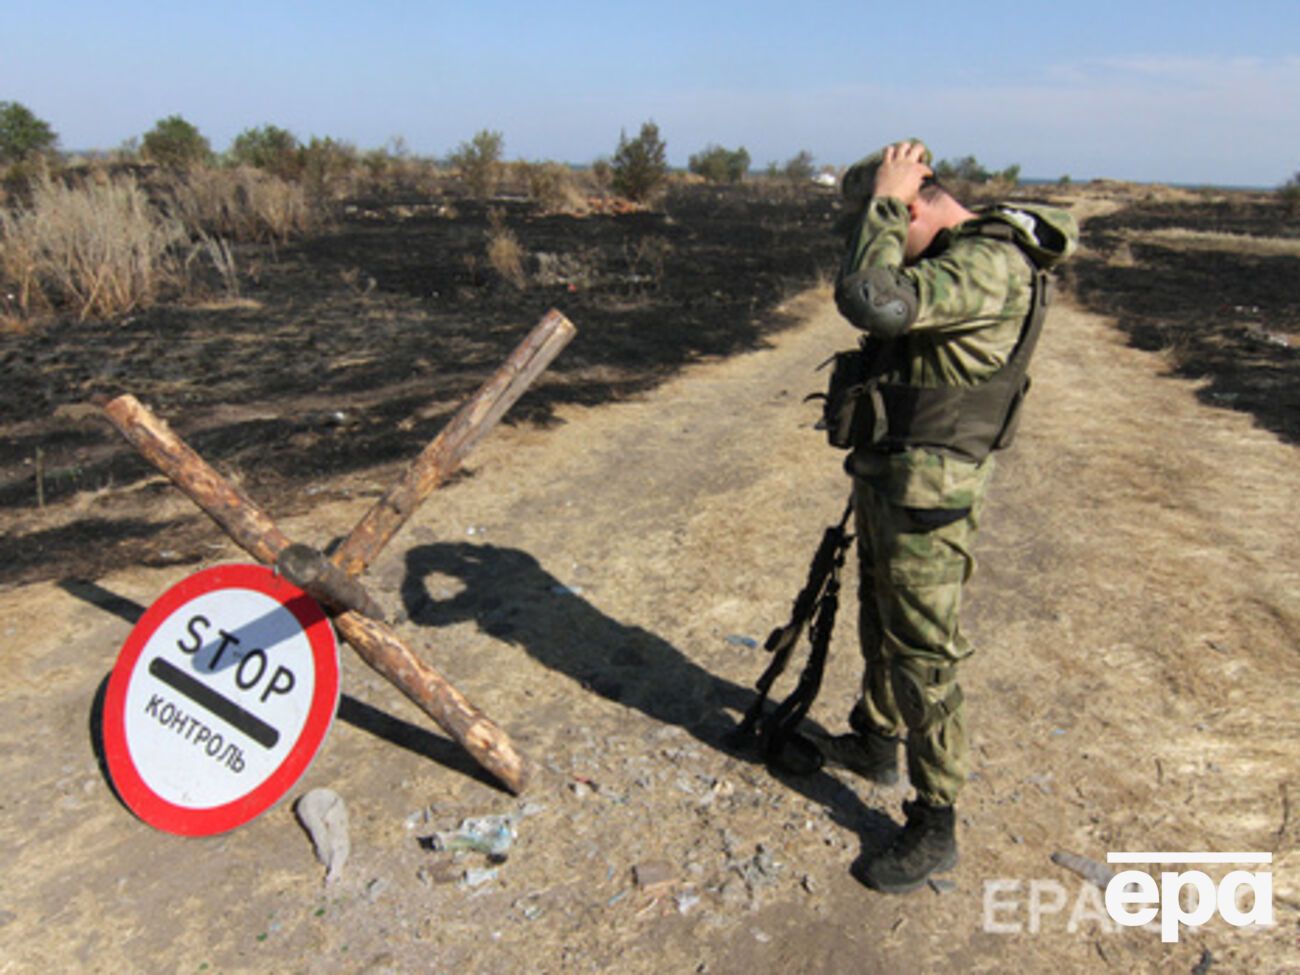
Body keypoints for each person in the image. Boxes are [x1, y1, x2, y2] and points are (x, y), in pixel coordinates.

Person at [779, 141, 1078, 894]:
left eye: (886, 224)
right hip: (898, 471)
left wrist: (882, 200)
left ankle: (935, 816)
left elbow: (874, 299)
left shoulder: (987, 263)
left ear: (913, 205)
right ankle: (877, 740)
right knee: (880, 616)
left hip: (930, 492)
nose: (879, 246)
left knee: (925, 653)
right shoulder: (962, 256)